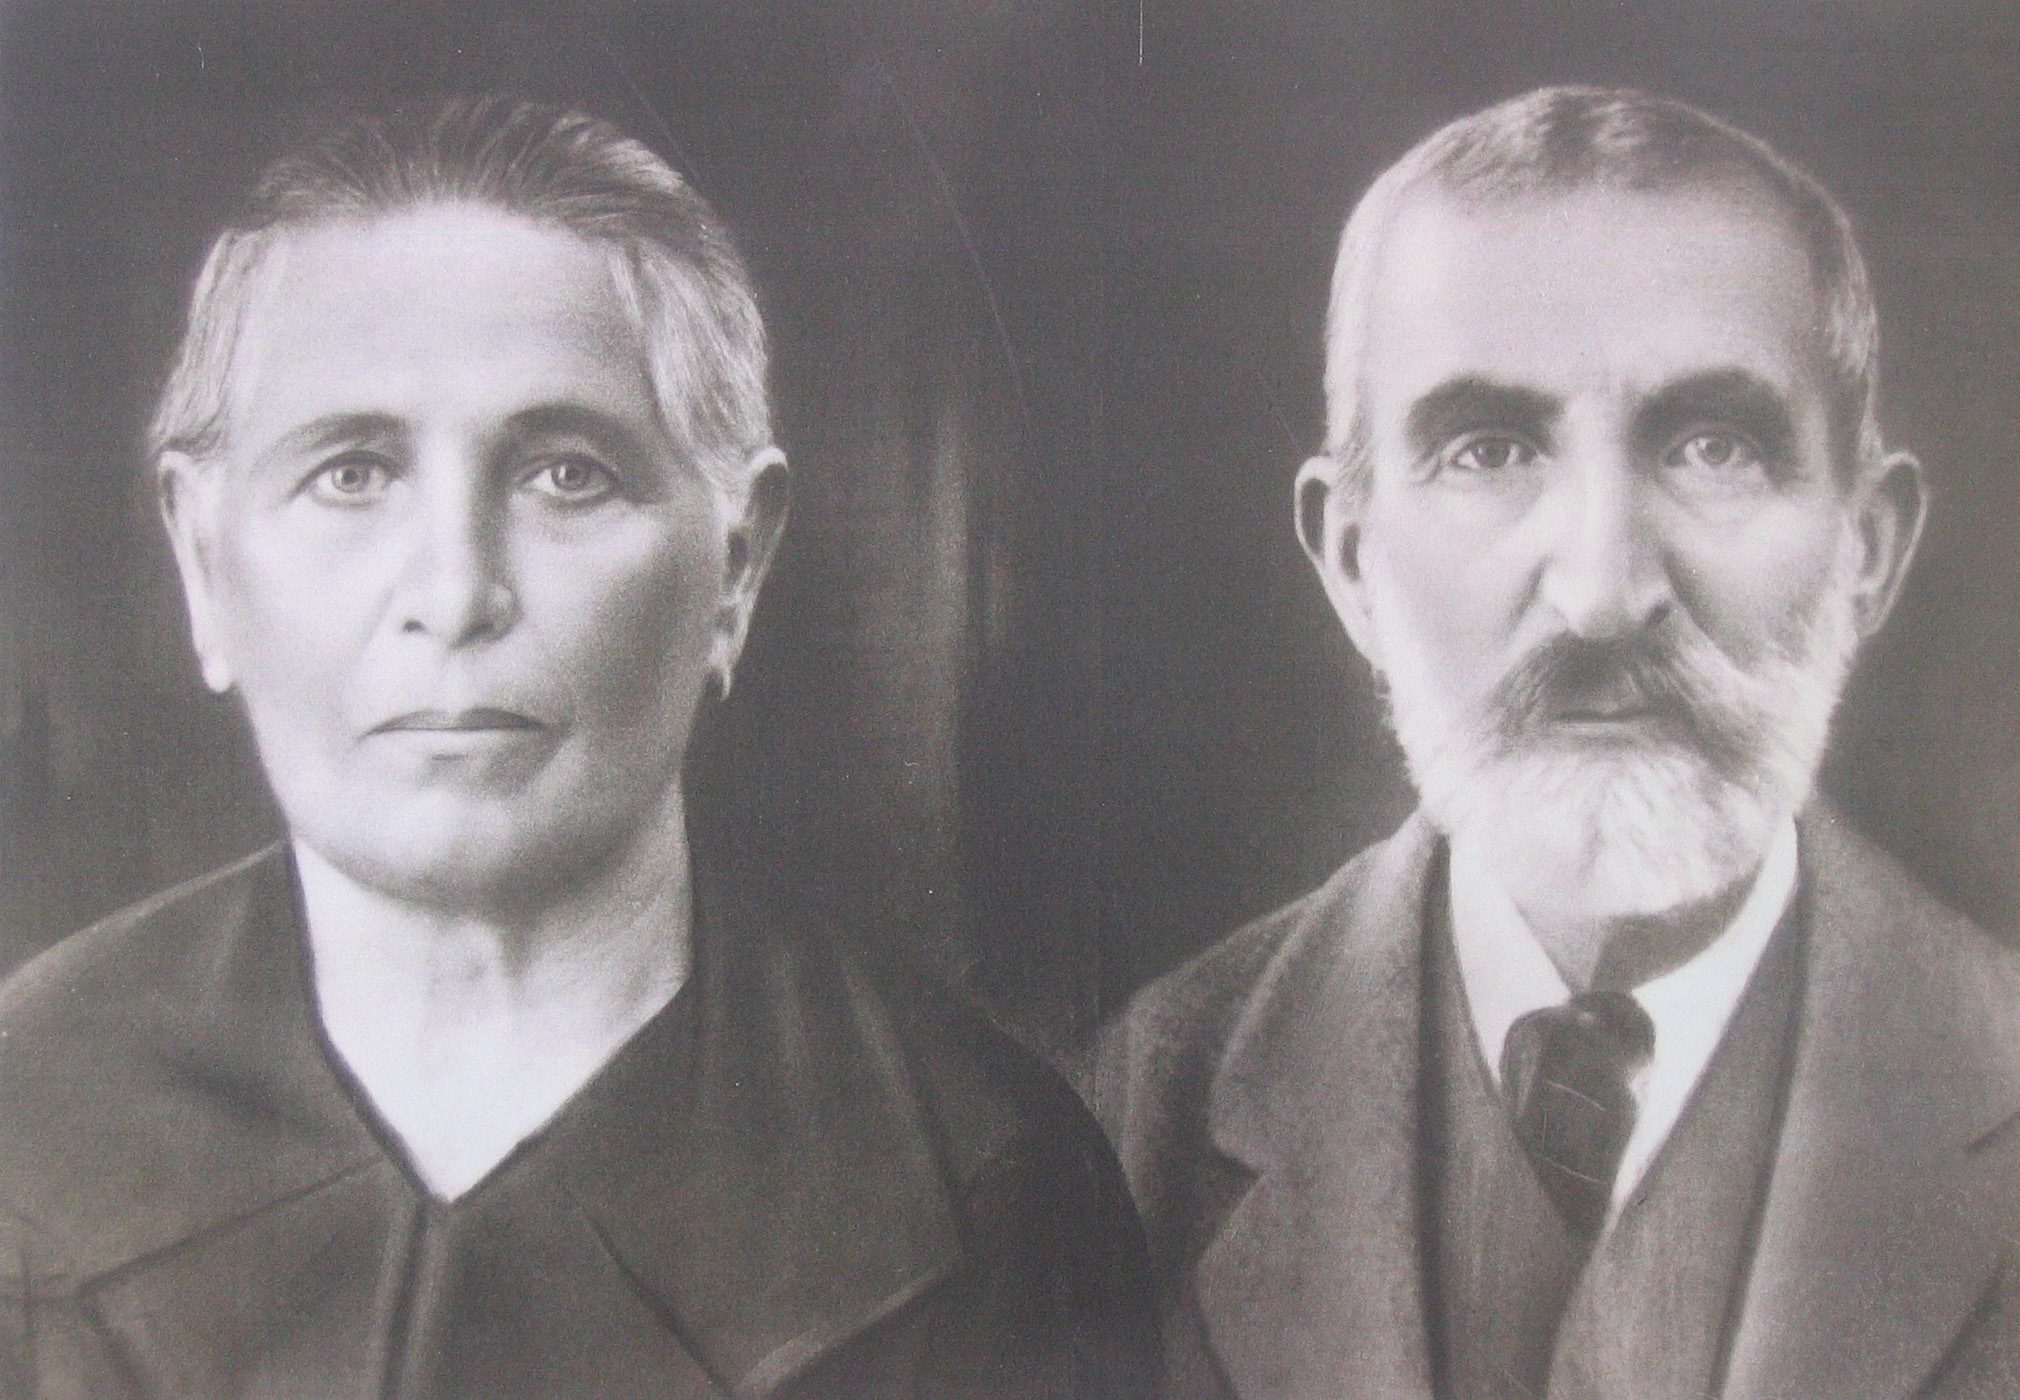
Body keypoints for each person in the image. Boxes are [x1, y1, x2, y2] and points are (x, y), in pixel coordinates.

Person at [0, 96, 1155, 1399]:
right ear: (206, 563)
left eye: (566, 474)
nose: (455, 593)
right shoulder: (25, 1126)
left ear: (735, 565)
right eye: (352, 474)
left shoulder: (988, 1183)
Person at [1092, 86, 2020, 1400]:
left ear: (1866, 548)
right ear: (1352, 562)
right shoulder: (1121, 1126)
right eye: (1488, 451)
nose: (1601, 593)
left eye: (1712, 447)